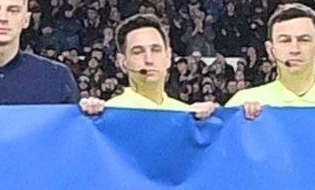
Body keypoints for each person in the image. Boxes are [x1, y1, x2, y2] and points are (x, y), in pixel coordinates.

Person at [231, 3, 315, 113]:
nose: (294, 49)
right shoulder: (243, 104)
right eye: (285, 41)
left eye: (304, 40)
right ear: (270, 50)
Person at [83, 13, 220, 118]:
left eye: (155, 50)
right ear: (122, 62)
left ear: (168, 57)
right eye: (138, 52)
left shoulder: (185, 115)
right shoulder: (106, 115)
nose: (149, 60)